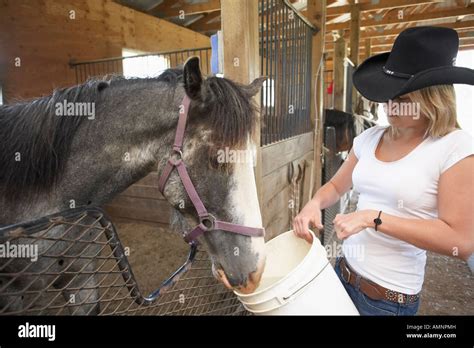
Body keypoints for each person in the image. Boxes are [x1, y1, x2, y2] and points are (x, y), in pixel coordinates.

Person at [293, 26, 474, 316]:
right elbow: (336, 187)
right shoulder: (370, 138)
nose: (390, 105)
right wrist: (314, 204)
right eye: (388, 95)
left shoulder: (454, 148)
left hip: (387, 300)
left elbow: (460, 241)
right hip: (343, 275)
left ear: (433, 98)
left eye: (402, 98)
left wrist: (373, 218)